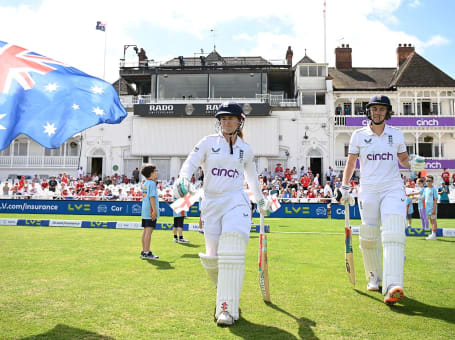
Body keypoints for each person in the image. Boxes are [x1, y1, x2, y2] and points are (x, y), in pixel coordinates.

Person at [173, 101, 269, 326]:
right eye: (223, 119)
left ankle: (225, 308)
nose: (226, 122)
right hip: (211, 204)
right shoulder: (208, 142)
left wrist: (260, 200)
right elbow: (190, 163)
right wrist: (183, 178)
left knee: (233, 243)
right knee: (213, 257)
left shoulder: (246, 149)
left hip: (236, 201)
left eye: (230, 119)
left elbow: (252, 179)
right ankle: (224, 291)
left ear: (239, 122)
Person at [340, 94, 424, 305]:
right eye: (374, 109)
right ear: (369, 111)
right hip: (368, 189)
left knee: (394, 229)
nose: (378, 112)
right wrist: (344, 186)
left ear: (388, 112)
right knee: (369, 233)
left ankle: (393, 285)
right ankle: (374, 277)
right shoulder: (358, 135)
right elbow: (351, 162)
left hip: (392, 187)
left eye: (382, 109)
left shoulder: (395, 134)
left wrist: (413, 163)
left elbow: (403, 160)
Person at [140, 164, 160, 260]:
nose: (157, 172)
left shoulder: (146, 183)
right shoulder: (151, 184)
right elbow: (151, 197)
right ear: (151, 173)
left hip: (145, 210)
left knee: (145, 231)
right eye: (155, 170)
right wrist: (154, 211)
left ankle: (144, 251)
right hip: (150, 210)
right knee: (148, 231)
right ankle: (147, 252)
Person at [423, 175, 438, 240]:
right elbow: (423, 197)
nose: (428, 182)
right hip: (427, 208)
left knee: (433, 221)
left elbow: (435, 199)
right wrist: (414, 197)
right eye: (427, 180)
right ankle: (432, 234)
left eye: (429, 180)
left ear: (432, 181)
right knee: (431, 221)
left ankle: (434, 235)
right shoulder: (425, 189)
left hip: (432, 208)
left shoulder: (434, 189)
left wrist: (434, 209)